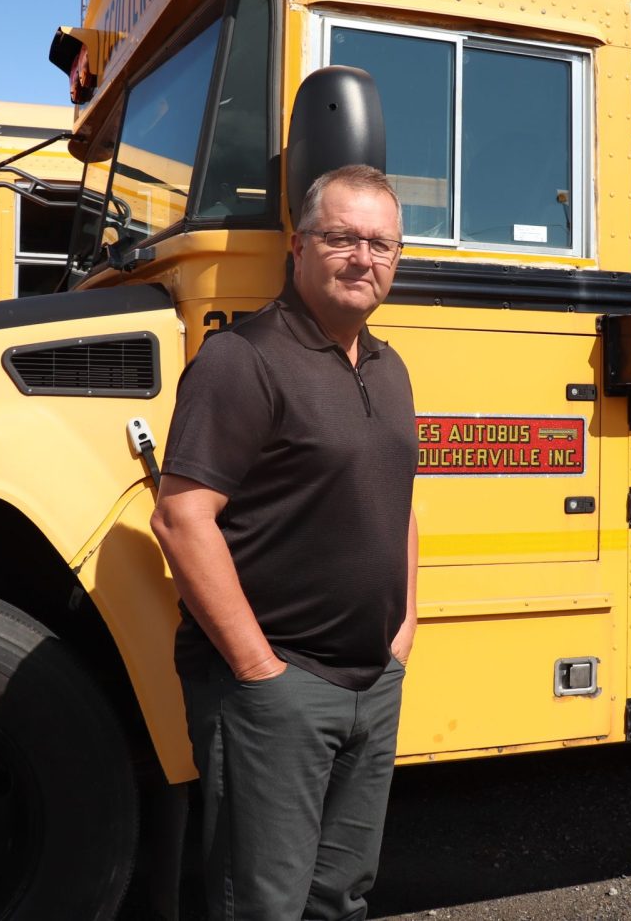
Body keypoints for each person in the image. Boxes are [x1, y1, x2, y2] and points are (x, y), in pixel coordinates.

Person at [151, 163, 418, 920]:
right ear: (298, 246)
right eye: (341, 238)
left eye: (381, 244)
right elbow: (181, 517)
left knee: (340, 894)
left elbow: (398, 501)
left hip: (373, 683)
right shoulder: (243, 359)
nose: (362, 258)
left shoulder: (390, 368)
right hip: (278, 688)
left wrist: (402, 633)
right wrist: (259, 669)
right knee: (261, 904)